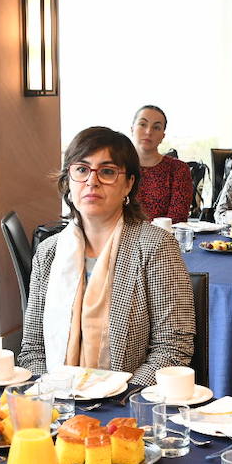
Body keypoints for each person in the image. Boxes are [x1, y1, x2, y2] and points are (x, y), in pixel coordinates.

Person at [19, 127, 194, 386]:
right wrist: (53, 393)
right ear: (68, 180)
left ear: (129, 183)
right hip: (58, 401)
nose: (92, 181)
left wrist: (120, 395)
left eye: (108, 172)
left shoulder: (156, 246)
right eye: (81, 169)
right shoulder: (49, 252)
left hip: (127, 406)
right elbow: (32, 348)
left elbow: (172, 348)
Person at [130, 104, 194, 224]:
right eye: (143, 124)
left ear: (163, 136)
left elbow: (177, 219)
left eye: (156, 127)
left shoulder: (178, 169)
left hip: (165, 239)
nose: (148, 131)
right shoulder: (118, 168)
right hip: (120, 239)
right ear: (132, 129)